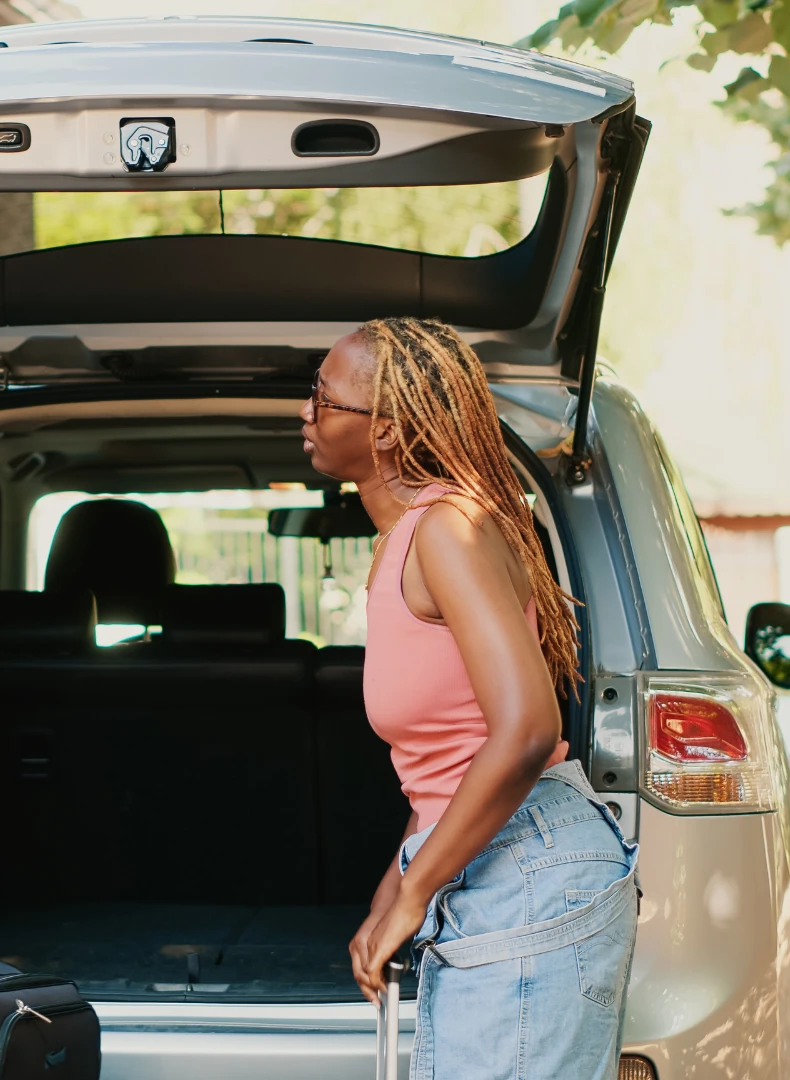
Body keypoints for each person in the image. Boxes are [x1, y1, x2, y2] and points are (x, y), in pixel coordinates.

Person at [301, 317, 637, 1079]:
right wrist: (395, 890)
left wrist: (416, 893)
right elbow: (444, 762)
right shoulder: (403, 542)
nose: (305, 410)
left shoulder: (448, 529)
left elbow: (524, 730)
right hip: (495, 864)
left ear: (385, 431)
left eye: (323, 397)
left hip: (529, 868)